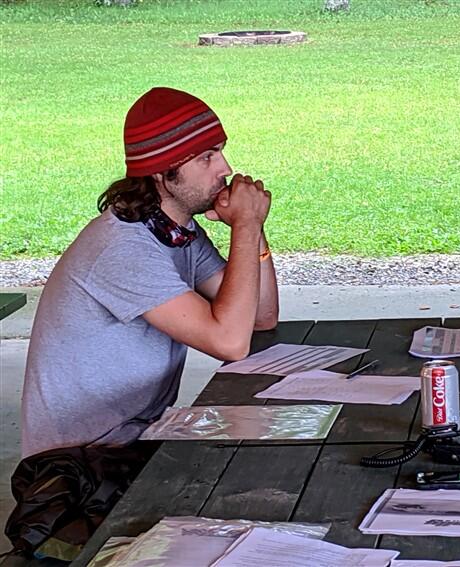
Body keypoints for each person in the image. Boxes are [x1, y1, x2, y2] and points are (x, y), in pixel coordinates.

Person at [21, 86, 279, 459]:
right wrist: (245, 225)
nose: (225, 168)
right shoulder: (122, 248)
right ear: (161, 172)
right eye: (206, 158)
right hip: (81, 465)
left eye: (220, 152)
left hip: (138, 440)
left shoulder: (175, 231)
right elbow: (229, 343)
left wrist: (254, 228)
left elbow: (261, 317)